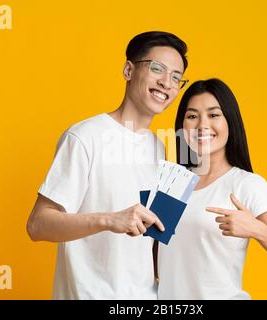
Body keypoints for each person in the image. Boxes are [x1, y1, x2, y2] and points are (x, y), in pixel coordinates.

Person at [26, 31, 189, 299]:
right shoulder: (85, 136)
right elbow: (37, 225)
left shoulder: (162, 150)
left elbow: (152, 241)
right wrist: (108, 219)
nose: (166, 83)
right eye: (157, 69)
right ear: (128, 70)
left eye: (175, 77)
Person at [157, 78, 267, 299]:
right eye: (192, 116)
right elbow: (157, 263)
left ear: (230, 121)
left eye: (213, 115)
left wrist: (256, 228)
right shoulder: (171, 181)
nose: (202, 125)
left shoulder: (246, 184)